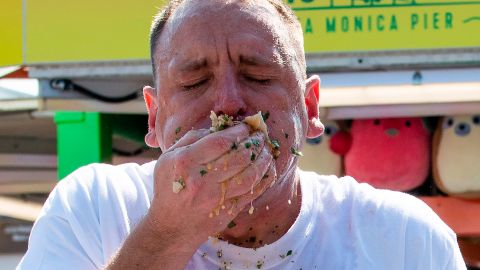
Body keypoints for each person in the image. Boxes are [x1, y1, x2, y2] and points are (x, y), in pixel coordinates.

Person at [18, 0, 466, 269]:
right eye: (194, 82)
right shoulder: (95, 207)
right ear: (154, 117)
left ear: (309, 108)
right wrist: (168, 231)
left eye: (258, 75)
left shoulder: (405, 237)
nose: (229, 103)